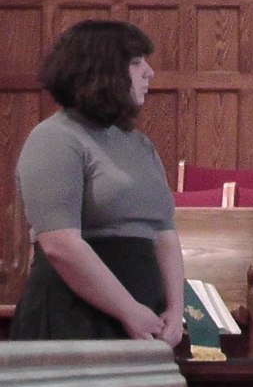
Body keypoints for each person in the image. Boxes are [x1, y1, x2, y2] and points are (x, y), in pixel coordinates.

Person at [10, 19, 184, 348]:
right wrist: (127, 310)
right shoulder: (54, 137)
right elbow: (60, 244)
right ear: (101, 70)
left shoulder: (138, 143)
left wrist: (175, 309)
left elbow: (164, 233)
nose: (149, 72)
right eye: (136, 62)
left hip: (144, 314)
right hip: (73, 315)